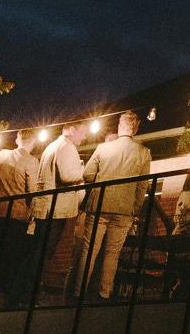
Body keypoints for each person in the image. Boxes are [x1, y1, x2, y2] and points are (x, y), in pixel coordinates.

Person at [81, 111, 154, 300]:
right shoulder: (143, 152)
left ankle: (79, 291)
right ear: (135, 129)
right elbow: (142, 185)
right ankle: (104, 292)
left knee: (89, 250)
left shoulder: (103, 148)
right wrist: (135, 208)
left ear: (120, 126)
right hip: (124, 208)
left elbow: (87, 175)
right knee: (112, 254)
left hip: (100, 204)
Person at [0, 130, 43, 305]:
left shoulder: (2, 155)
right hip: (19, 214)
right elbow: (32, 191)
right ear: (33, 141)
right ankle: (11, 295)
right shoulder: (31, 161)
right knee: (16, 255)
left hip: (0, 212)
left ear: (18, 139)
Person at [36, 124, 88, 296]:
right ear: (71, 129)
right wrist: (83, 171)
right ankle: (33, 291)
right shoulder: (66, 146)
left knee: (41, 250)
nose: (85, 136)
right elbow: (66, 175)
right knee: (45, 251)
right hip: (56, 208)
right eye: (82, 131)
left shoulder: (53, 146)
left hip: (48, 207)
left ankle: (32, 289)